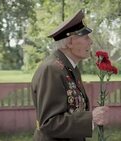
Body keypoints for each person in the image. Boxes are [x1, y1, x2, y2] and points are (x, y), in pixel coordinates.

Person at [31, 10, 109, 141]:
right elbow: (49, 123)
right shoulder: (51, 69)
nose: (90, 42)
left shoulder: (68, 67)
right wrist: (91, 118)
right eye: (86, 38)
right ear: (70, 43)